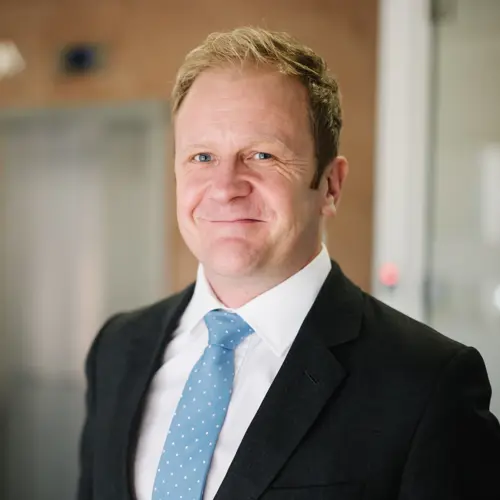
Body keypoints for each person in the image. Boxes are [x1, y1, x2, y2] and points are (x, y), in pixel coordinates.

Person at [77, 27, 500, 500]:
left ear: (330, 186)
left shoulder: (427, 383)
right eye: (202, 156)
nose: (225, 187)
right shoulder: (117, 349)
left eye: (262, 154)